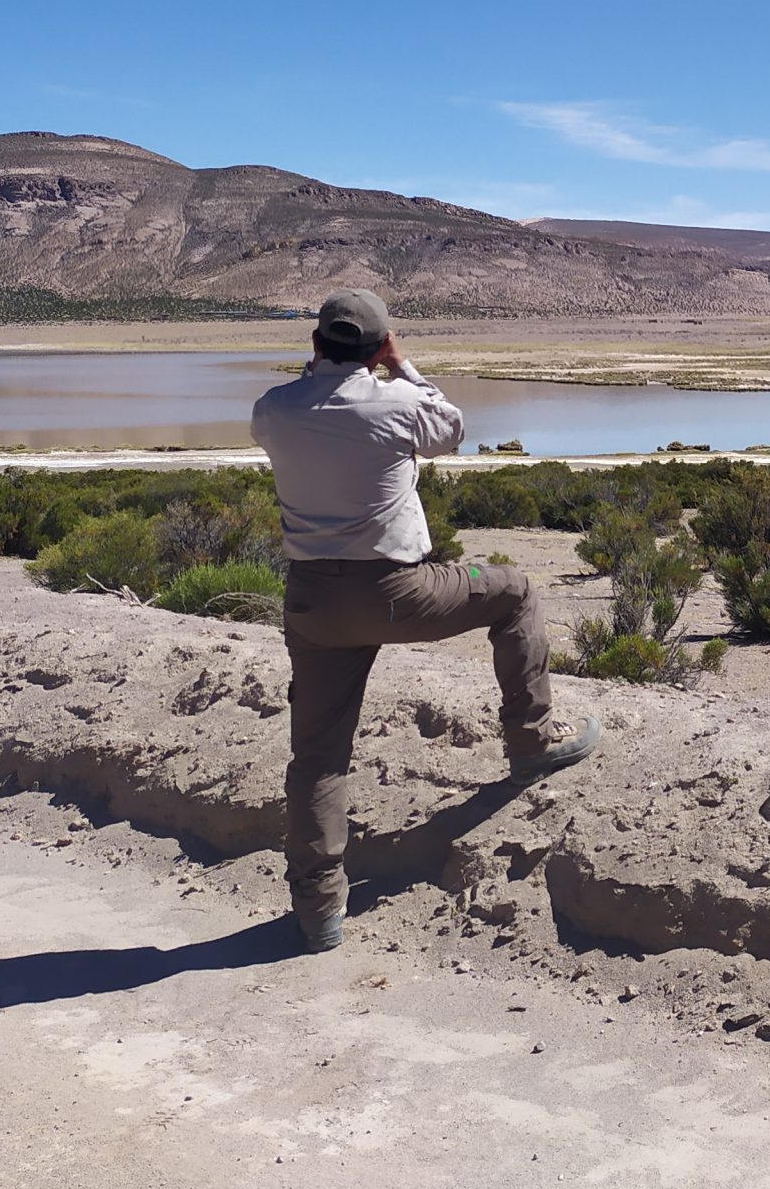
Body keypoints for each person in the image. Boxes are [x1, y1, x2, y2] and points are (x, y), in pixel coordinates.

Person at [252, 288, 599, 952]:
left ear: (317, 344)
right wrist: (402, 367)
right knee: (515, 592)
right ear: (378, 348)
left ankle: (319, 911)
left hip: (312, 600)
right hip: (396, 590)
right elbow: (453, 430)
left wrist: (324, 369)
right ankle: (530, 746)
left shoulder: (274, 410)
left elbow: (302, 400)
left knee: (319, 758)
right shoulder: (398, 402)